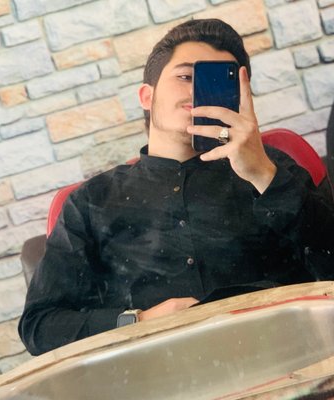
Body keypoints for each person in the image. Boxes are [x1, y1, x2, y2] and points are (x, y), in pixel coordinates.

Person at [18, 19, 334, 356]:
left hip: (286, 354)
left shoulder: (272, 168)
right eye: (185, 76)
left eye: (219, 82)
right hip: (156, 369)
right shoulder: (91, 202)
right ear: (147, 96)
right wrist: (138, 321)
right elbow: (40, 326)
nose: (197, 92)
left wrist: (263, 175)